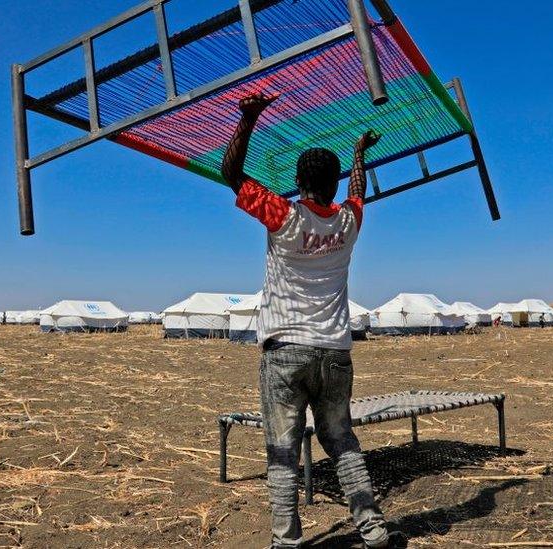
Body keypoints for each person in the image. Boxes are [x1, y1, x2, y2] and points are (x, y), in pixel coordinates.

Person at [221, 92, 391, 549]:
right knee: (342, 441)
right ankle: (373, 530)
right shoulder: (348, 223)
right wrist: (359, 154)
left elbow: (230, 174)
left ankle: (287, 541)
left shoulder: (285, 215)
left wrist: (249, 117)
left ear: (297, 182)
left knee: (282, 450)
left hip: (285, 352)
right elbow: (359, 193)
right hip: (335, 351)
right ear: (334, 186)